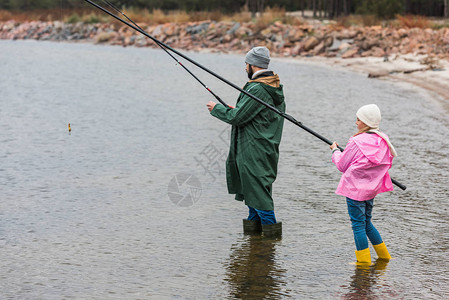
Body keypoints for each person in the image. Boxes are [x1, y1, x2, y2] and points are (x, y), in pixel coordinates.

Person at [206, 46, 285, 237]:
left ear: (252, 65)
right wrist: (239, 108)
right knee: (253, 194)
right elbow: (258, 114)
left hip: (254, 150)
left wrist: (217, 109)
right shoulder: (272, 84)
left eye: (246, 64)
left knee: (259, 197)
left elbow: (237, 118)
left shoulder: (259, 88)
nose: (245, 68)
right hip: (261, 149)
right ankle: (254, 245)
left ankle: (270, 246)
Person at [330, 104, 396, 265]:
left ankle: (364, 262)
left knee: (358, 225)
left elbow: (342, 165)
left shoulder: (356, 141)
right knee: (367, 222)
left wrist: (335, 151)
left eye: (359, 119)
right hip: (371, 190)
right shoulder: (383, 140)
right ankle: (384, 257)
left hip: (354, 190)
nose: (356, 122)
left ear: (366, 122)